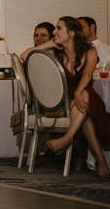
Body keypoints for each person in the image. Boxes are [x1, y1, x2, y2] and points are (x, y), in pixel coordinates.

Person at [25, 17, 110, 178]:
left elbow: (87, 74)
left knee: (85, 96)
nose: (54, 32)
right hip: (63, 101)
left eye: (58, 29)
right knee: (84, 105)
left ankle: (69, 139)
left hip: (83, 96)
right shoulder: (54, 51)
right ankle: (100, 160)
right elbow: (24, 57)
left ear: (71, 33)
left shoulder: (90, 50)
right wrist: (48, 44)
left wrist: (78, 92)